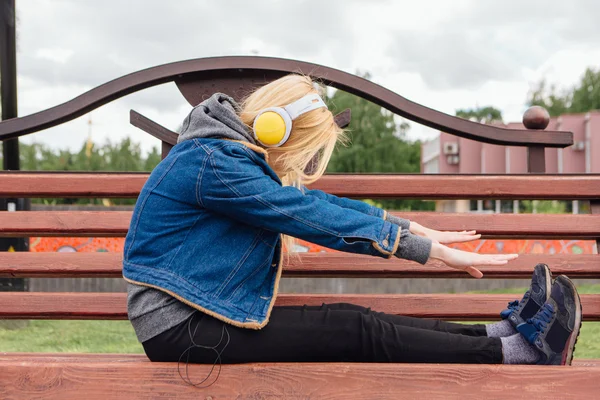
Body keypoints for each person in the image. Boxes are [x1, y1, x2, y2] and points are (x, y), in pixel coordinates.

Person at [123, 74, 582, 374]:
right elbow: (304, 214)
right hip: (180, 329)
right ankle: (522, 354)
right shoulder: (214, 162)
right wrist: (422, 251)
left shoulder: (219, 154)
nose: (302, 161)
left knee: (357, 321)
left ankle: (504, 337)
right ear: (274, 130)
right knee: (353, 330)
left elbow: (309, 201)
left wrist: (408, 227)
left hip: (198, 318)